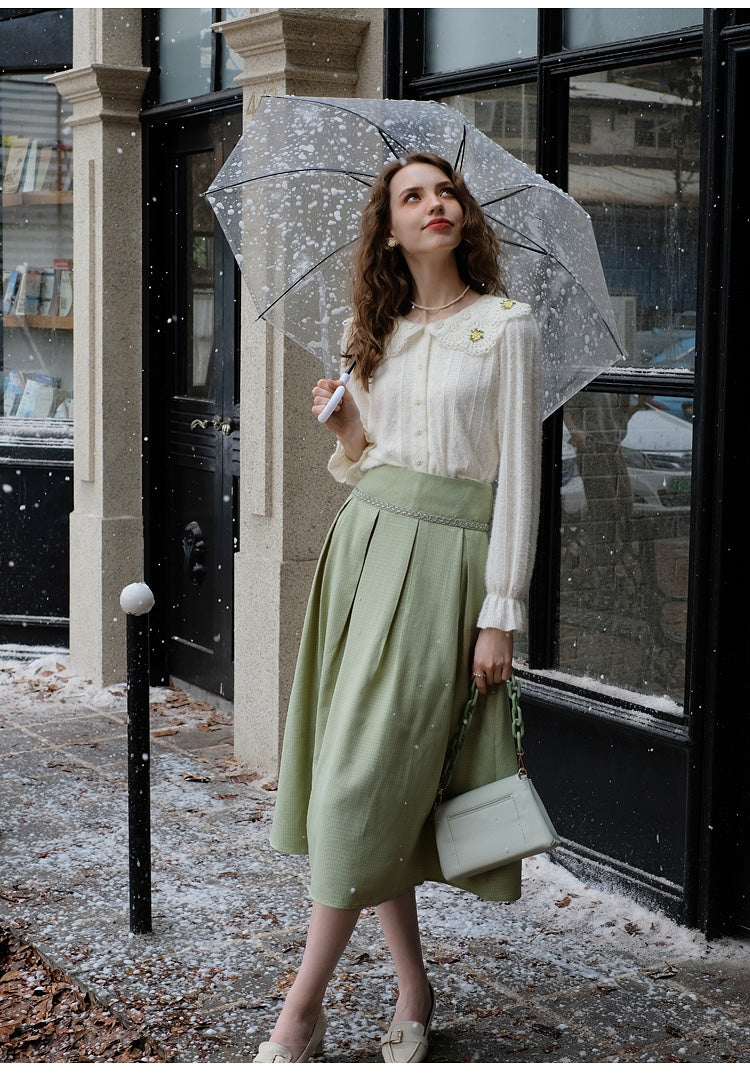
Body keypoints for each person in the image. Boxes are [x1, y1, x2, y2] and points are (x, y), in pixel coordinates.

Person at [253, 152, 542, 1064]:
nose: (435, 204)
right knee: (372, 781)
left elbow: (519, 490)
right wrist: (347, 431)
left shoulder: (505, 327)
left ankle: (302, 1008)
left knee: (361, 786)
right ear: (388, 228)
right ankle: (412, 987)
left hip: (449, 569)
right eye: (413, 196)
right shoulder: (368, 328)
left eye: (446, 191)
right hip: (364, 552)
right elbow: (371, 459)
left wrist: (501, 612)